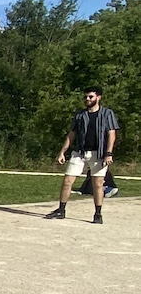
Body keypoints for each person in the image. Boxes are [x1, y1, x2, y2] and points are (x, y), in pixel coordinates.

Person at [45, 86, 119, 224]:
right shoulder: (80, 115)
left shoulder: (107, 114)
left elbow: (111, 134)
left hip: (99, 153)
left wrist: (108, 153)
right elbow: (71, 134)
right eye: (85, 97)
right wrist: (62, 152)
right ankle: (61, 210)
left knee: (97, 184)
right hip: (80, 152)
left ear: (98, 97)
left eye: (90, 97)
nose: (87, 99)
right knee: (67, 181)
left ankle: (98, 213)